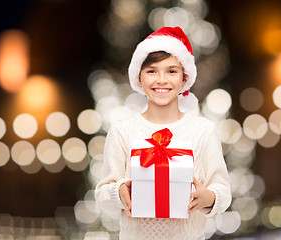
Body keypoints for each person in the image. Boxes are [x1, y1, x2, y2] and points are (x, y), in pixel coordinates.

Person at [95, 26, 231, 240]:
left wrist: (209, 198)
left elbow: (223, 190)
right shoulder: (122, 131)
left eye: (171, 71)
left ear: (184, 79)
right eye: (151, 71)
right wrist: (119, 192)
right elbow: (103, 192)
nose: (161, 80)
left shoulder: (203, 131)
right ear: (139, 78)